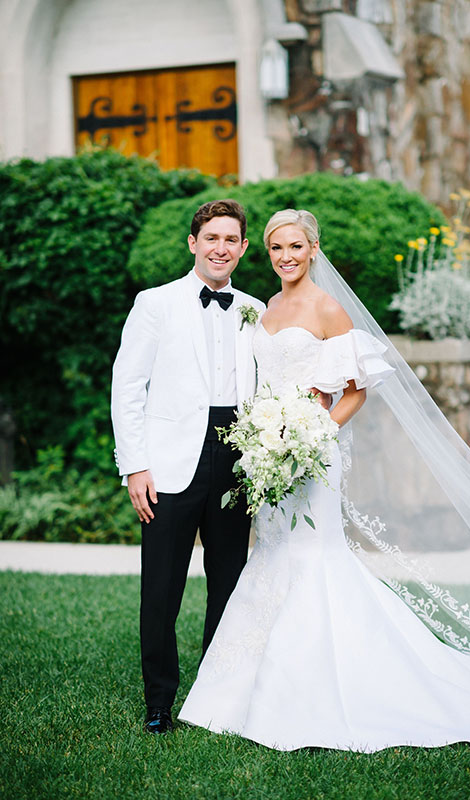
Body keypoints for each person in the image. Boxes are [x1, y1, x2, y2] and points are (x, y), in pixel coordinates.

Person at [178, 208, 470, 752]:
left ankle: (322, 690)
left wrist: (309, 437)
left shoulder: (327, 308)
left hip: (309, 454)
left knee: (313, 558)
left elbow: (356, 392)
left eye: (296, 247)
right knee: (271, 556)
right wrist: (266, 441)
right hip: (267, 455)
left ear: (314, 249)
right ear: (265, 253)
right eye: (276, 248)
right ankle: (238, 694)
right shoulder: (266, 307)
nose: (286, 257)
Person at [111, 200, 266, 734]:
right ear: (193, 243)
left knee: (229, 582)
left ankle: (216, 697)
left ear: (244, 249)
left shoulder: (256, 308)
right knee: (161, 589)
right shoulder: (155, 304)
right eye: (211, 238)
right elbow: (128, 387)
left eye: (231, 239)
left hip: (237, 459)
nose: (221, 247)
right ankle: (159, 701)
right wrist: (135, 466)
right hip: (170, 464)